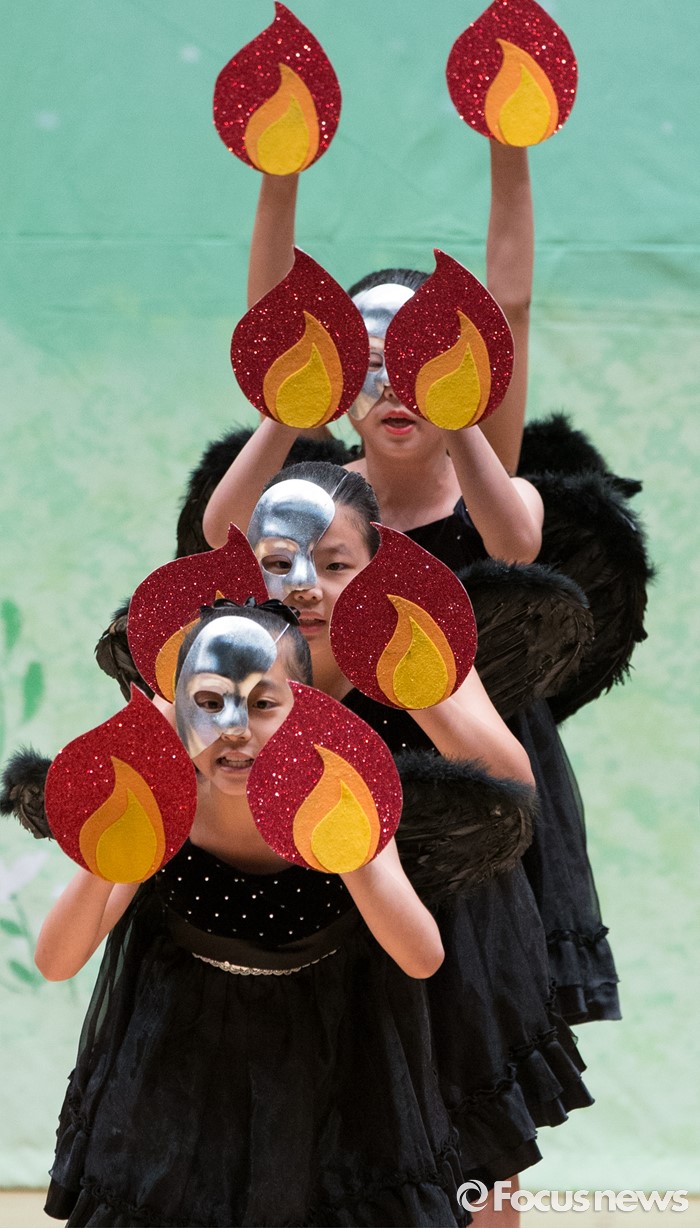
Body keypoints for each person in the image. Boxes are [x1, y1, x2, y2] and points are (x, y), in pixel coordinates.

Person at [200, 142, 622, 1028]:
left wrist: (510, 145)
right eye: (369, 363)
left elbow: (509, 308)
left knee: (474, 1007)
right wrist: (280, 171)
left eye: (420, 362)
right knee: (357, 1021)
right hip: (344, 770)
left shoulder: (490, 481)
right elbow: (227, 511)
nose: (396, 387)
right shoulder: (310, 493)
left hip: (466, 761)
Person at [36, 601, 466, 1228]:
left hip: (331, 1048)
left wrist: (347, 849)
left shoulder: (342, 795)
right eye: (209, 702)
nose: (234, 727)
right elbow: (56, 962)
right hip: (181, 1049)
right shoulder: (160, 798)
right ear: (178, 710)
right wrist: (114, 845)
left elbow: (422, 958)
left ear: (307, 709)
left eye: (264, 704)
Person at [241, 461, 593, 1221]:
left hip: (442, 930)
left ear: (373, 569)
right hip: (296, 939)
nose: (306, 586)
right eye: (281, 564)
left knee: (469, 1156)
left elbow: (515, 787)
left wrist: (410, 684)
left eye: (335, 565)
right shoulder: (233, 657)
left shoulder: (416, 640)